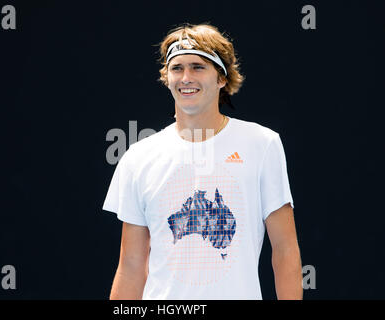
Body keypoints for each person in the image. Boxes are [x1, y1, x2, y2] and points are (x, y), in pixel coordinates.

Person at [102, 23, 302, 300]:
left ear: (221, 78)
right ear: (166, 77)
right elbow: (131, 267)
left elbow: (285, 250)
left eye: (197, 67)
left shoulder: (262, 144)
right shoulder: (138, 157)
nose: (186, 78)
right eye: (177, 68)